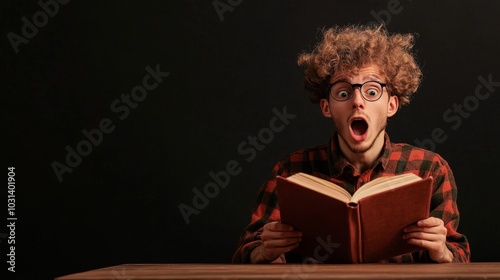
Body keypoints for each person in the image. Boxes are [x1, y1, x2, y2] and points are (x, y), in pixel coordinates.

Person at [232, 24, 471, 264]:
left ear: (391, 105)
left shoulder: (430, 169)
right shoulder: (290, 171)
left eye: (372, 91)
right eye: (343, 93)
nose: (357, 101)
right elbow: (245, 252)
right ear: (327, 107)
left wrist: (442, 251)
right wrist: (264, 251)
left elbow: (459, 256)